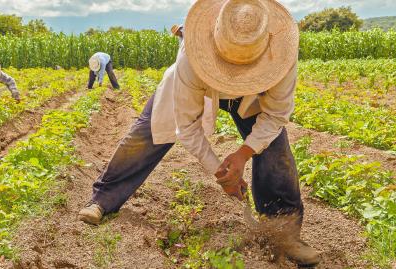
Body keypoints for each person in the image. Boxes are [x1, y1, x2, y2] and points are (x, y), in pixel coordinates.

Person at [79, 0, 320, 266]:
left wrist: (242, 154)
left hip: (254, 95)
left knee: (276, 152)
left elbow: (275, 115)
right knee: (144, 137)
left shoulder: (281, 53)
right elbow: (187, 126)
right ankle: (102, 199)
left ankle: (284, 234)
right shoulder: (192, 58)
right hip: (200, 85)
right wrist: (220, 172)